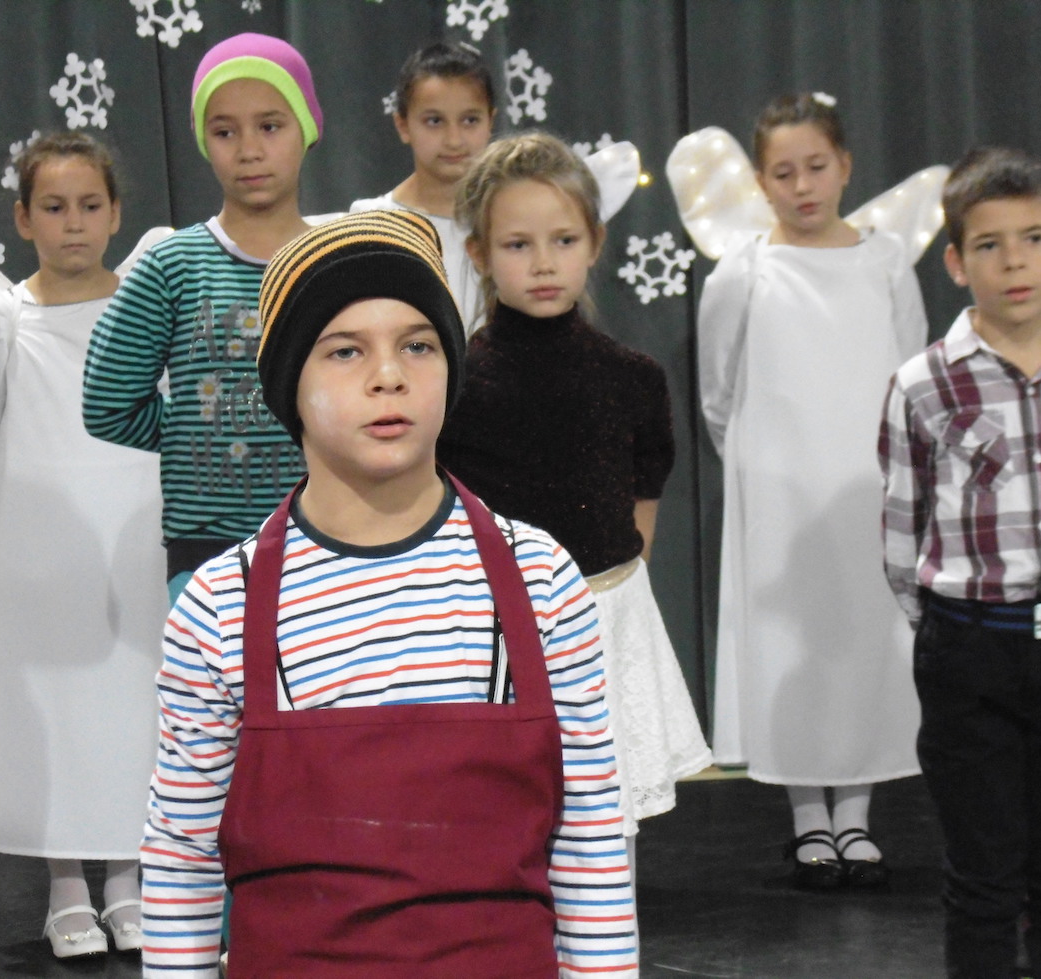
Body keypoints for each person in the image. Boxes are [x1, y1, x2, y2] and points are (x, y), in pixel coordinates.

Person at [139, 209, 638, 978]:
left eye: (417, 344)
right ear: (288, 383)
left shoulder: (539, 578)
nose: (388, 375)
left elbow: (590, 836)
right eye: (345, 350)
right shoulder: (219, 603)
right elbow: (181, 857)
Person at [437, 132, 713, 876]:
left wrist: (609, 592)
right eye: (518, 244)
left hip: (606, 622)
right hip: (496, 631)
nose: (543, 262)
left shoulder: (633, 377)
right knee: (507, 831)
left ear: (594, 242)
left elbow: (642, 497)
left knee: (606, 831)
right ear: (479, 252)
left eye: (563, 240)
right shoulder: (456, 383)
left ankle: (606, 934)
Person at [881, 146, 1041, 979]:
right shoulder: (922, 384)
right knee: (982, 877)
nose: (1013, 261)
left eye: (1032, 238)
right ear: (956, 261)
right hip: (970, 650)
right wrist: (953, 628)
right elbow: (903, 530)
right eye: (989, 244)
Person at [697, 92, 924, 888]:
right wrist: (761, 459)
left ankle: (856, 815)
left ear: (845, 166)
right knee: (790, 641)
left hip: (867, 485)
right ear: (761, 181)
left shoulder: (886, 261)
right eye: (784, 172)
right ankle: (807, 819)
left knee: (863, 634)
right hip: (779, 490)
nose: (802, 186)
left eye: (816, 167)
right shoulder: (744, 271)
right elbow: (719, 390)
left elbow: (910, 371)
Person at [0, 132, 166, 958]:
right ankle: (66, 884)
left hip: (134, 538)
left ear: (115, 214)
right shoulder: (4, 324)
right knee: (56, 710)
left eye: (89, 205)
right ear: (23, 218)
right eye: (53, 207)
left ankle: (129, 876)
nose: (73, 223)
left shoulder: (145, 308)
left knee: (134, 703)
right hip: (42, 551)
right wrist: (3, 550)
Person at [83, 32, 322, 604]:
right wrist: (196, 431)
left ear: (308, 126)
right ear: (202, 140)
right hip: (207, 551)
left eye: (270, 126)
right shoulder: (172, 265)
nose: (249, 150)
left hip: (332, 536)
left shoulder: (338, 260)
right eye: (225, 131)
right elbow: (108, 404)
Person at [351, 40, 495, 335]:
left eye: (470, 120)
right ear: (403, 125)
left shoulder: (510, 220)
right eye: (434, 121)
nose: (454, 139)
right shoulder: (373, 221)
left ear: (490, 121)